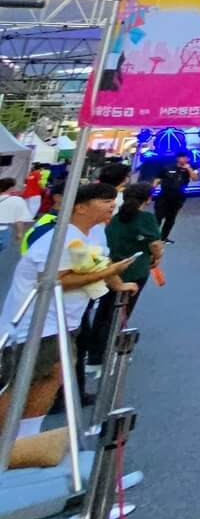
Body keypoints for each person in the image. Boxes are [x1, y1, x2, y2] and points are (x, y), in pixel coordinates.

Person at [1, 184, 136, 437]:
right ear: (80, 207)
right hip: (36, 324)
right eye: (105, 200)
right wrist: (111, 272)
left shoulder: (93, 232)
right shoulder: (60, 236)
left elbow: (98, 261)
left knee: (51, 379)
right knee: (21, 384)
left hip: (65, 322)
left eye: (113, 200)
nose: (112, 205)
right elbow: (54, 278)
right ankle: (9, 444)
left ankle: (25, 441)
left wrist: (118, 283)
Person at [95, 182, 161, 348]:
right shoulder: (146, 218)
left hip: (109, 269)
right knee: (122, 310)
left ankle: (94, 350)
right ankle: (109, 347)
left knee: (104, 310)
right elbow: (155, 245)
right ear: (148, 199)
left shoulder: (116, 218)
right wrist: (157, 257)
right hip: (134, 270)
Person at [152, 152, 192, 241]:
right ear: (178, 158)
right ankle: (153, 237)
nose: (184, 159)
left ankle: (164, 237)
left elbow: (195, 178)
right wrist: (153, 187)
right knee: (158, 217)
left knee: (171, 218)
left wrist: (189, 169)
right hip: (164, 196)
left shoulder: (189, 169)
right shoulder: (168, 167)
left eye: (186, 158)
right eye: (182, 157)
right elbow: (158, 178)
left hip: (178, 198)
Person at [0, 178, 29, 248]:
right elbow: (19, 220)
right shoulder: (16, 201)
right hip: (3, 230)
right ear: (11, 188)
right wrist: (19, 233)